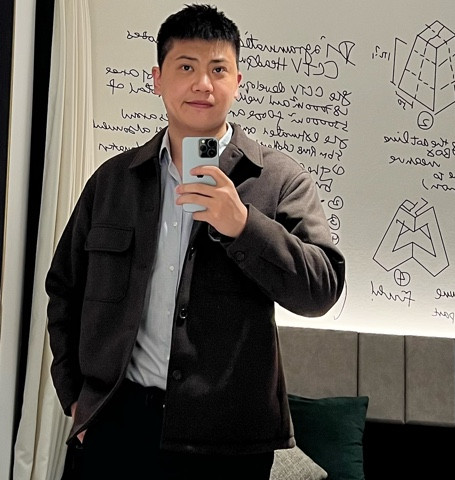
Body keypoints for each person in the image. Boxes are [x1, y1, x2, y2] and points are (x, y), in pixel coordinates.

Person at [46, 4, 345, 480]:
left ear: (237, 82)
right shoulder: (114, 181)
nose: (202, 84)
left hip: (229, 442)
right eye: (186, 67)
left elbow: (321, 291)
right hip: (115, 425)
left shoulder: (279, 179)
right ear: (157, 79)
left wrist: (244, 225)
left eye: (218, 69)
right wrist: (76, 398)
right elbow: (64, 288)